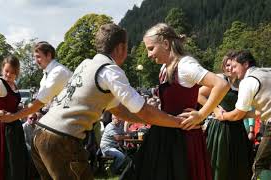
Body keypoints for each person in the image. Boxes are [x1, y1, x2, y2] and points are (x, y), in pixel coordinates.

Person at [31, 23, 188, 180]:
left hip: (39, 134)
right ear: (121, 48)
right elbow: (143, 109)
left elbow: (119, 110)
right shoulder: (110, 71)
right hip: (60, 139)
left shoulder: (86, 64)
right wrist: (178, 121)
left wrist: (157, 121)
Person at [121, 23, 229, 180]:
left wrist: (201, 114)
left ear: (165, 43)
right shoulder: (164, 68)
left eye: (151, 48)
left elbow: (221, 84)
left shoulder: (185, 65)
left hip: (184, 137)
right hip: (165, 134)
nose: (149, 54)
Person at [213, 50, 271, 180]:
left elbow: (237, 115)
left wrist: (223, 116)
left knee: (260, 165)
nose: (232, 70)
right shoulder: (267, 71)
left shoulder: (248, 82)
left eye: (234, 66)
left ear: (245, 64)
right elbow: (258, 112)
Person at [198, 52, 252, 180]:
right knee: (220, 163)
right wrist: (215, 109)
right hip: (220, 128)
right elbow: (198, 95)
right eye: (227, 65)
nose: (230, 68)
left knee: (238, 165)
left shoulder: (243, 82)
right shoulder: (220, 79)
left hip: (237, 127)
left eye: (233, 65)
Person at [0, 41, 72, 123]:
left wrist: (13, 117)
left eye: (38, 57)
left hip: (68, 121)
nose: (36, 61)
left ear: (48, 55)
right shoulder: (47, 74)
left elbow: (39, 103)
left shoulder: (58, 72)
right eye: (35, 57)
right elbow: (39, 103)